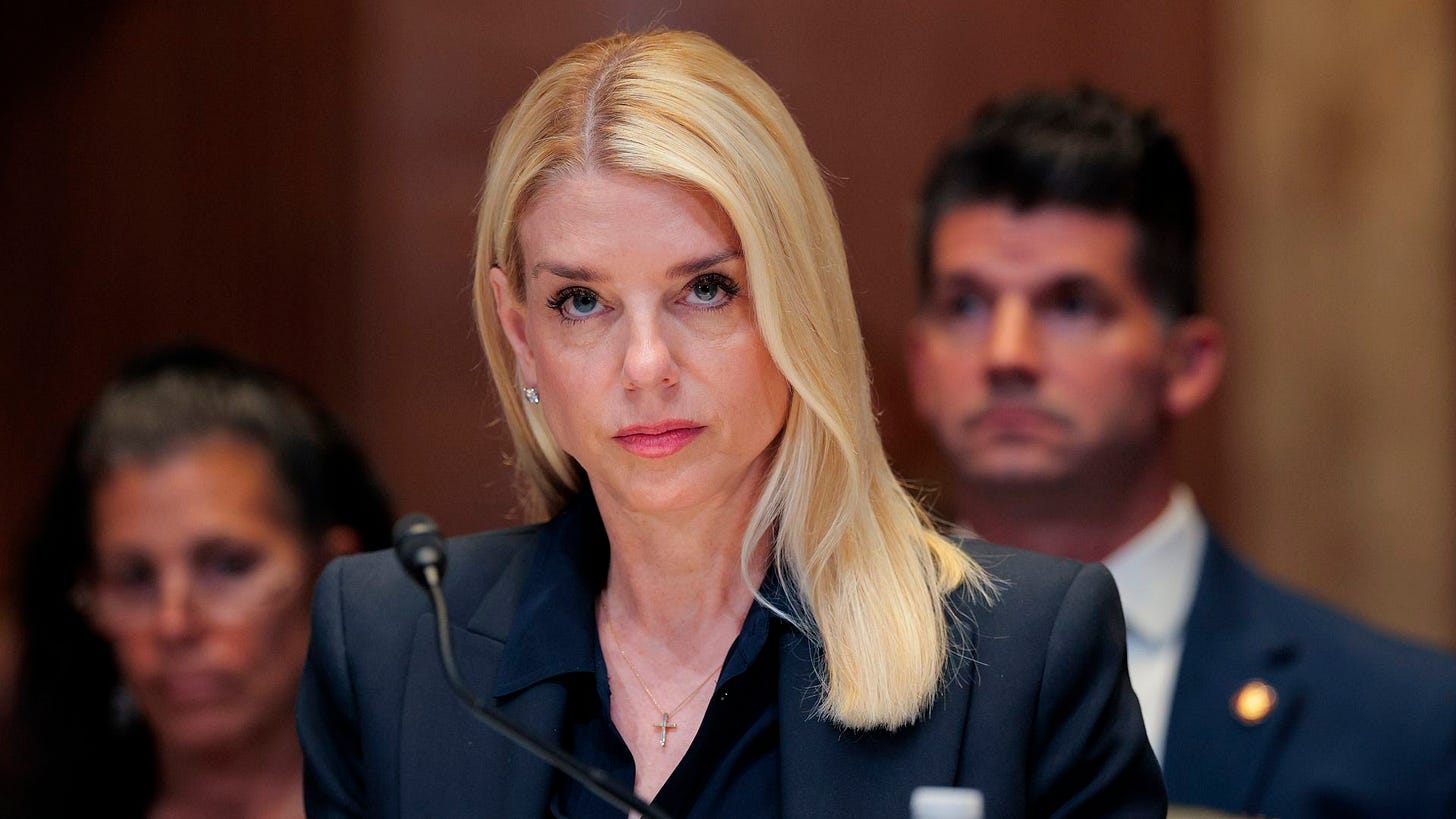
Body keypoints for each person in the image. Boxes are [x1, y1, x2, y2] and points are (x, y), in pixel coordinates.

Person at [296, 30, 1165, 819]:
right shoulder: (392, 646)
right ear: (521, 335)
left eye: (705, 288)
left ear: (800, 301)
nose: (645, 365)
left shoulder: (1028, 655)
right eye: (581, 301)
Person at [906, 85, 1456, 818]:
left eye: (1071, 303)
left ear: (1188, 363)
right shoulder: (793, 685)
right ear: (918, 363)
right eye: (966, 305)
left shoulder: (1410, 727)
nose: (1007, 354)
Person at [5, 343, 393, 819]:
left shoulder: (437, 797)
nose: (174, 625)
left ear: (332, 574)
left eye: (229, 566)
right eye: (133, 577)